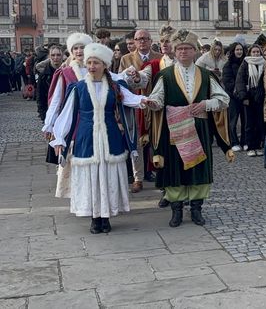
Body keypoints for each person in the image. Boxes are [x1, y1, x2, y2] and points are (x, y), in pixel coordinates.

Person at [50, 43, 144, 234]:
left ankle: (106, 216)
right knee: (91, 176)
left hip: (110, 137)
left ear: (105, 65)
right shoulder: (79, 87)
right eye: (89, 62)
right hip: (87, 138)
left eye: (96, 63)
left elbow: (129, 99)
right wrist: (59, 138)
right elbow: (67, 114)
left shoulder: (114, 86)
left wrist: (145, 100)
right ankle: (94, 217)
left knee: (108, 175)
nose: (92, 66)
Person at [144, 29, 230, 227]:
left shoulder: (206, 75)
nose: (183, 52)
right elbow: (157, 98)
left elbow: (224, 100)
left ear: (195, 51)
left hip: (200, 129)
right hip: (174, 130)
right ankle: (176, 211)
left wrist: (206, 105)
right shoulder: (165, 75)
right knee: (175, 169)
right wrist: (153, 103)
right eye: (180, 48)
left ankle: (197, 209)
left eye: (188, 48)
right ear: (174, 51)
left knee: (199, 170)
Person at [119, 29, 162, 193]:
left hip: (155, 103)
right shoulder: (126, 59)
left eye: (145, 39)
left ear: (151, 41)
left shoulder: (158, 57)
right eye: (138, 39)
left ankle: (157, 171)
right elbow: (120, 82)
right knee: (136, 141)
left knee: (156, 139)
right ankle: (138, 178)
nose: (142, 42)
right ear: (134, 42)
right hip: (134, 105)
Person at [234, 44, 265, 157]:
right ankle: (250, 146)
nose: (256, 54)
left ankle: (258, 145)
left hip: (261, 97)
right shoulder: (245, 63)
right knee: (249, 123)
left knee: (259, 122)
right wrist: (244, 97)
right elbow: (240, 81)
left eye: (258, 52)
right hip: (249, 98)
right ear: (250, 53)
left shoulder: (264, 63)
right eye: (254, 52)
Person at [222, 42, 246, 152]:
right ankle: (234, 142)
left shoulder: (246, 63)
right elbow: (228, 82)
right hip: (232, 97)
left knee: (246, 120)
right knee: (233, 120)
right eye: (237, 50)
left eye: (241, 49)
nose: (239, 51)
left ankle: (244, 141)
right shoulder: (228, 65)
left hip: (244, 96)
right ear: (233, 51)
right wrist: (238, 92)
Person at [36, 45, 64, 121]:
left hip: (64, 112)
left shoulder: (67, 72)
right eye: (53, 55)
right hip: (49, 111)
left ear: (62, 56)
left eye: (58, 55)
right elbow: (40, 97)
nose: (55, 57)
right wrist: (43, 116)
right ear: (49, 56)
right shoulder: (43, 75)